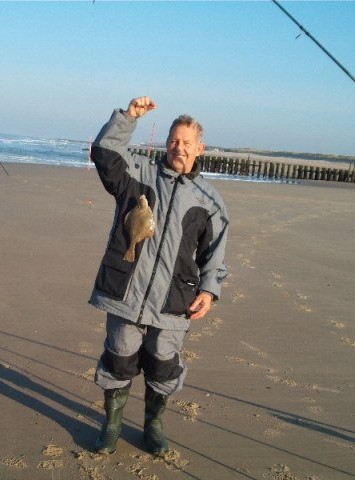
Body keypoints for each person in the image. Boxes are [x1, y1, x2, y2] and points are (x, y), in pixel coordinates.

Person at [89, 96, 229, 455]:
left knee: (163, 366)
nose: (178, 148)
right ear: (165, 143)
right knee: (119, 358)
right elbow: (105, 154)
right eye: (173, 141)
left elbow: (214, 254)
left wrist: (209, 291)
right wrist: (127, 118)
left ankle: (152, 423)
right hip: (126, 291)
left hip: (173, 301)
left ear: (200, 148)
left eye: (186, 143)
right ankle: (113, 425)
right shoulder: (138, 175)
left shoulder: (210, 201)